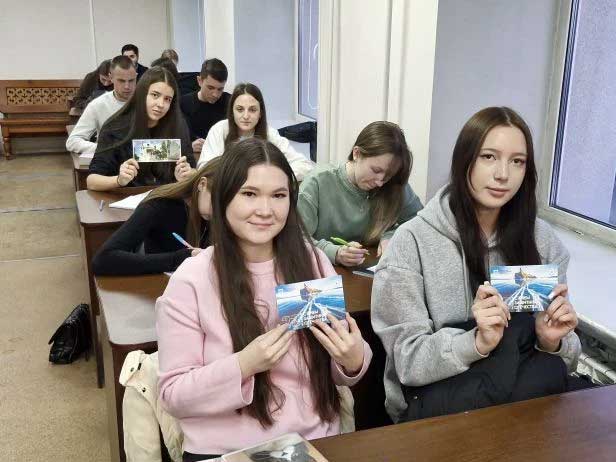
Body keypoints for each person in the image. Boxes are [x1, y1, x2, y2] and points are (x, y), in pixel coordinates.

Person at [156, 138, 372, 460]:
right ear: (223, 197)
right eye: (249, 194)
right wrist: (245, 364)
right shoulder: (192, 279)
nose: (265, 210)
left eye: (279, 196)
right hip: (225, 450)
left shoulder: (309, 262)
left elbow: (336, 362)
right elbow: (173, 395)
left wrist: (352, 360)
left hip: (310, 442)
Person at [371, 107, 583, 424]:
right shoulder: (411, 242)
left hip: (525, 405)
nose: (503, 174)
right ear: (464, 160)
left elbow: (568, 360)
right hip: (439, 416)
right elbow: (408, 362)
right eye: (488, 157)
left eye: (517, 161)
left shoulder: (543, 241)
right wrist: (476, 342)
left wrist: (551, 340)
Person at [297, 121, 423, 266]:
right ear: (356, 153)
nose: (380, 182)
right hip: (321, 270)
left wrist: (391, 236)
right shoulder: (318, 182)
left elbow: (420, 223)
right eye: (376, 170)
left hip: (369, 269)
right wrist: (335, 253)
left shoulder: (393, 184)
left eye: (388, 175)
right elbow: (296, 239)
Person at [92, 158, 219, 276]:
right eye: (218, 202)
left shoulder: (223, 212)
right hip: (162, 284)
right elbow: (103, 260)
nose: (221, 212)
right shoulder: (160, 204)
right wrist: (180, 258)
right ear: (202, 185)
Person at [87, 67, 195, 191]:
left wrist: (187, 174)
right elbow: (91, 181)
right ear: (142, 94)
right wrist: (119, 180)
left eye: (167, 99)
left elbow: (193, 169)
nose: (160, 104)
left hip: (166, 196)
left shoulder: (178, 126)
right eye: (155, 95)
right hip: (125, 198)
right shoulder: (115, 128)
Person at [196, 83, 314, 180]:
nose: (246, 116)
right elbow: (205, 168)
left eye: (252, 110)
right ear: (232, 111)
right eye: (240, 109)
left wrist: (273, 177)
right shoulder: (219, 130)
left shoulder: (270, 134)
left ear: (260, 113)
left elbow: (304, 166)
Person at [66, 56, 137, 155]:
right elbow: (73, 141)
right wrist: (105, 148)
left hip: (141, 159)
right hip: (109, 158)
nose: (127, 86)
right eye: (121, 81)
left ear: (136, 76)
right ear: (111, 78)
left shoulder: (148, 102)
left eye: (131, 80)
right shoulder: (97, 105)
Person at [180, 58, 231, 153]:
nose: (215, 94)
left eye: (220, 89)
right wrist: (189, 146)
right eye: (210, 88)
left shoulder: (230, 102)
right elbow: (176, 139)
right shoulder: (183, 103)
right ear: (199, 81)